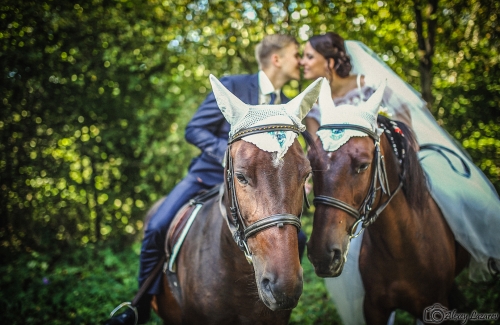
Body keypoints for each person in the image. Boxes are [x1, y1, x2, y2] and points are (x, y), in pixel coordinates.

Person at [104, 34, 306, 325]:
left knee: (298, 235)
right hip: (207, 176)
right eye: (295, 54)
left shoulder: (286, 105)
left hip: (260, 190)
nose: (299, 61)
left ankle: (278, 297)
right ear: (277, 59)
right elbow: (194, 128)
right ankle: (139, 306)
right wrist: (229, 159)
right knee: (158, 226)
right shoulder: (232, 86)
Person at [300, 32, 500, 324]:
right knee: (342, 236)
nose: (302, 62)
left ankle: (485, 244)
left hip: (396, 162)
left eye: (308, 56)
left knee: (454, 192)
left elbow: (404, 114)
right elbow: (317, 149)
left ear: (329, 61)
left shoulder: (365, 85)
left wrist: (406, 153)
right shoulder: (316, 103)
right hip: (350, 182)